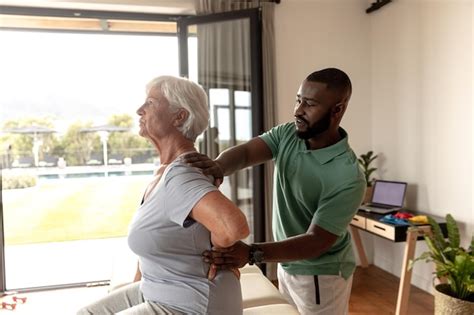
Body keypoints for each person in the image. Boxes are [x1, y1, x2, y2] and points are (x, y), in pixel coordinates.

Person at [184, 68, 366, 315]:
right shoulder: (288, 135)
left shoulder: (347, 176)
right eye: (298, 99)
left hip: (322, 274)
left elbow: (317, 241)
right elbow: (247, 152)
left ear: (337, 110)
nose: (298, 110)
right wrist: (218, 166)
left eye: (309, 104)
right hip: (288, 261)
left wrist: (250, 252)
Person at [77, 76, 250, 315]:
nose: (140, 110)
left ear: (179, 116)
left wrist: (220, 251)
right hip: (158, 287)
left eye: (150, 102)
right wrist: (137, 282)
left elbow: (233, 227)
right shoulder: (165, 171)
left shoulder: (180, 176)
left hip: (191, 302)